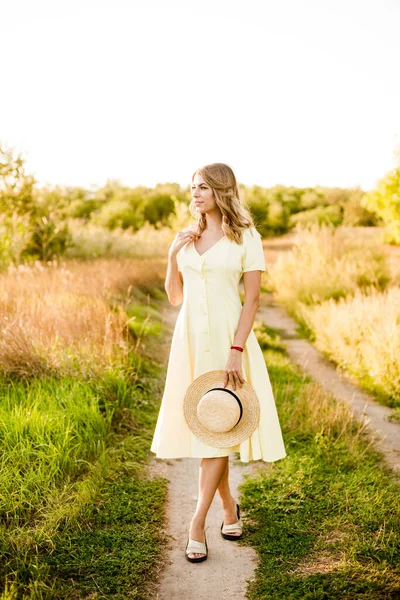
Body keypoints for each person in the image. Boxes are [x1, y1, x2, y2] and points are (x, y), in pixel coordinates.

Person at [150, 162, 286, 561]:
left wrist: (237, 349)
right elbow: (175, 296)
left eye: (204, 188)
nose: (195, 194)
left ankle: (196, 522)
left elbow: (253, 300)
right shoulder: (187, 237)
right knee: (211, 426)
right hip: (190, 340)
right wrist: (174, 253)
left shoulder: (246, 236)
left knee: (219, 426)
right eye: (193, 188)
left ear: (222, 190)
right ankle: (229, 508)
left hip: (229, 341)